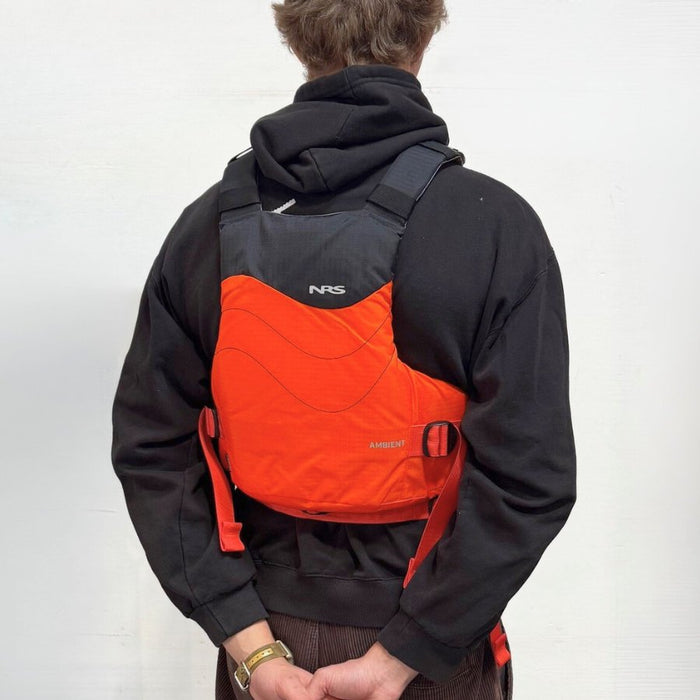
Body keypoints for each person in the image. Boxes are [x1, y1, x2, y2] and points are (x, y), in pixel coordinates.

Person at [112, 1, 577, 698]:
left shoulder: (206, 227)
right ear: (423, 35)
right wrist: (405, 654)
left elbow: (151, 447)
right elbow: (530, 478)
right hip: (427, 658)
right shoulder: (493, 226)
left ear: (298, 37)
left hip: (267, 648)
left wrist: (250, 649)